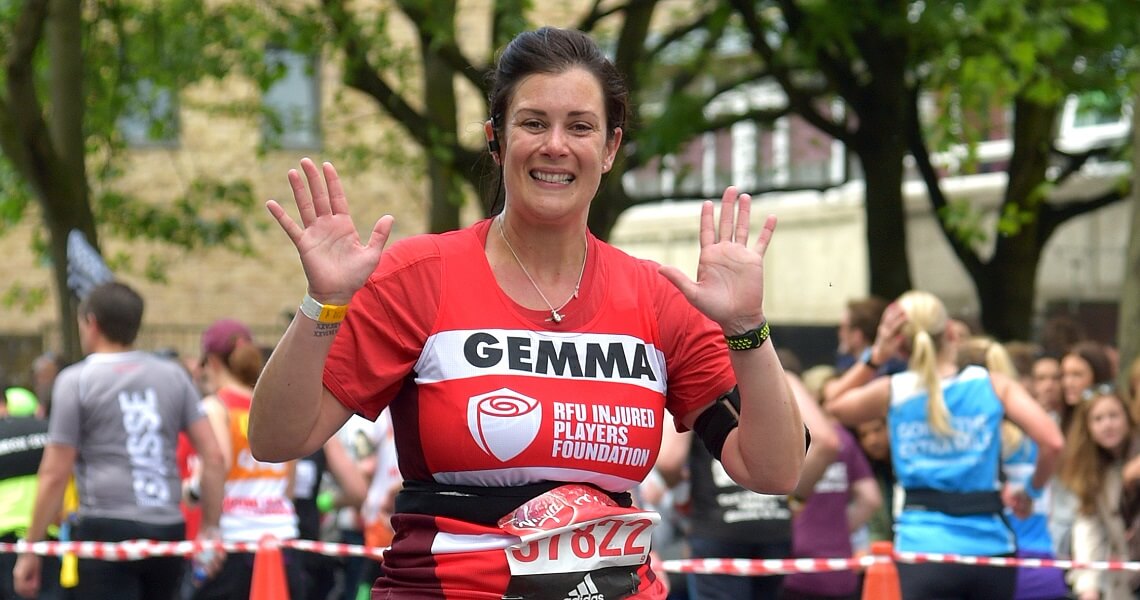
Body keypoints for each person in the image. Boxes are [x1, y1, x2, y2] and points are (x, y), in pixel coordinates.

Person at [248, 26, 806, 600]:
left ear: (611, 148)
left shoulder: (657, 296)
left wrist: (746, 329)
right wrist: (324, 303)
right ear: (496, 138)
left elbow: (775, 471)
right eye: (533, 123)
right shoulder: (419, 276)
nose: (555, 145)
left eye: (581, 127)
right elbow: (274, 439)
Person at [826, 290, 1063, 600]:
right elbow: (1053, 442)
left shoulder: (895, 390)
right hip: (989, 547)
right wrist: (1030, 492)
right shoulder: (991, 384)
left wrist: (876, 355)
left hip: (923, 547)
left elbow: (833, 403)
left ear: (899, 344)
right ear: (950, 331)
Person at [12, 281, 225, 600]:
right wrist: (211, 525)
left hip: (106, 526)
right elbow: (214, 457)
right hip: (167, 525)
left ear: (91, 323)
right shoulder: (173, 375)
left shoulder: (75, 381)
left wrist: (31, 549)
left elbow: (55, 472)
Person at [655, 373, 837, 600]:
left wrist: (682, 497)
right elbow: (827, 442)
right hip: (772, 523)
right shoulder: (778, 375)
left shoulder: (698, 373)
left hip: (717, 524)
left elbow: (669, 460)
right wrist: (793, 497)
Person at [188, 318, 306, 600]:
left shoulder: (217, 407)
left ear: (212, 363)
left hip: (235, 545)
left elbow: (217, 464)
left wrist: (194, 495)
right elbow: (289, 482)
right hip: (282, 543)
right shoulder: (276, 410)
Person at [1059, 385, 1137, 600]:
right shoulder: (1091, 473)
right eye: (1098, 419)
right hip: (1127, 580)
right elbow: (1088, 528)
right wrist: (1088, 586)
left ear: (1127, 418)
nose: (1107, 425)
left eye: (1114, 416)